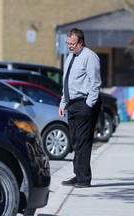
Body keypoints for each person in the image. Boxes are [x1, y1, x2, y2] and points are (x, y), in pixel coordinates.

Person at [59, 27, 102, 188]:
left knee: (83, 141)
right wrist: (63, 102)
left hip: (85, 103)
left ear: (81, 42)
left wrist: (88, 105)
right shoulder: (71, 57)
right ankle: (78, 175)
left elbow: (95, 83)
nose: (70, 46)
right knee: (76, 141)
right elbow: (67, 83)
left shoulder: (89, 57)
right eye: (68, 43)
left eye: (73, 43)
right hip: (72, 104)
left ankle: (84, 179)